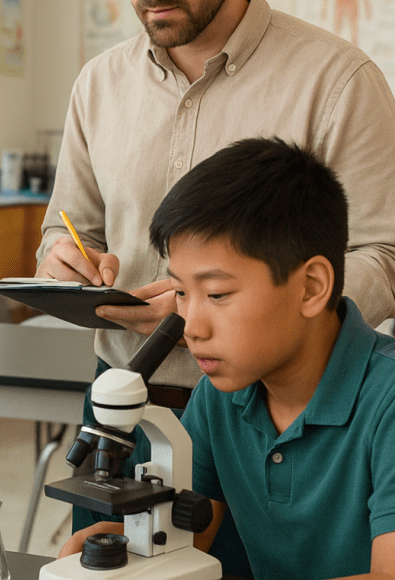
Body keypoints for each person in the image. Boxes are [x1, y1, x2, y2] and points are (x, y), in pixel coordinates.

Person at [34, 0, 395, 567]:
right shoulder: (98, 84)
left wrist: (238, 310)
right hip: (122, 401)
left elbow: (384, 257)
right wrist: (63, 261)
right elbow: (64, 228)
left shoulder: (337, 81)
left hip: (281, 416)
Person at [61, 137, 395, 579]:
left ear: (312, 287)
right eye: (181, 292)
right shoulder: (220, 397)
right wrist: (128, 548)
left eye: (217, 294)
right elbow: (185, 540)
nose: (191, 327)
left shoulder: (387, 401)